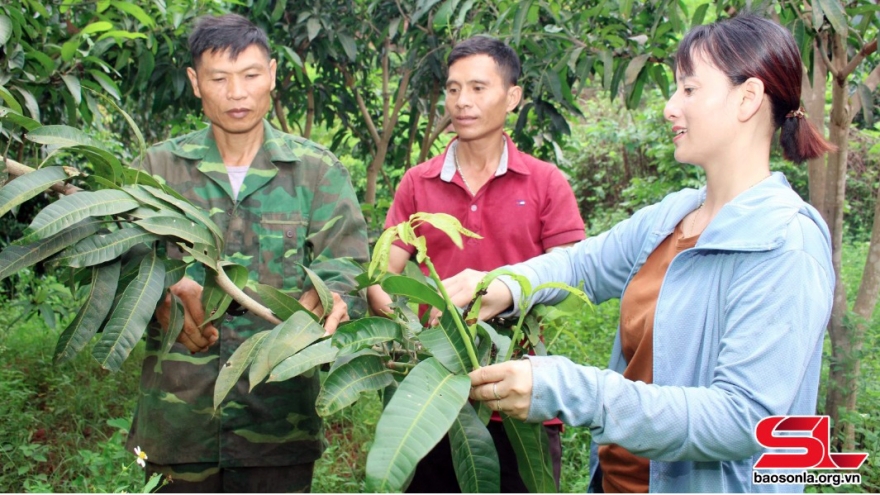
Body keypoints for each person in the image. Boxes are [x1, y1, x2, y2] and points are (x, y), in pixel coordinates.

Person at [447, 15, 836, 493]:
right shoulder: (673, 216)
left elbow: (744, 418)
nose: (671, 108)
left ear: (748, 98)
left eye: (689, 90)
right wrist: (505, 284)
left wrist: (573, 390)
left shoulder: (786, 244)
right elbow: (580, 264)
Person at [124, 14, 369, 492]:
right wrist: (159, 294)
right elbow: (122, 261)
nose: (237, 92)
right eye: (219, 78)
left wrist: (328, 301)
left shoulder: (317, 171)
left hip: (278, 420)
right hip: (178, 421)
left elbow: (347, 264)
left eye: (251, 75)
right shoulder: (156, 169)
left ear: (273, 74)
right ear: (195, 82)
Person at [367, 36, 586, 492]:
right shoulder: (418, 183)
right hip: (432, 395)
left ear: (512, 97)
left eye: (478, 88)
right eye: (452, 89)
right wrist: (407, 330)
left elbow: (573, 272)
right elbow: (382, 277)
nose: (461, 102)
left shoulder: (545, 182)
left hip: (519, 393)